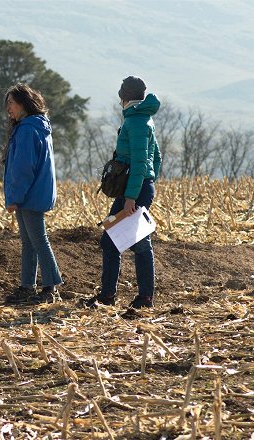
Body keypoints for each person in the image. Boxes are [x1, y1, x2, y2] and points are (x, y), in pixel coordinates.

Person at [85, 76, 161, 309]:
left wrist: (131, 196)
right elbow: (155, 158)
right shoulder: (142, 118)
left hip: (133, 191)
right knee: (112, 239)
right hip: (138, 187)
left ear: (124, 97)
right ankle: (113, 295)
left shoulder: (136, 121)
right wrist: (150, 180)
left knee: (136, 243)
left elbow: (139, 162)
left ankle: (139, 297)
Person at [2, 83, 63, 305]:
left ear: (23, 104)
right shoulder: (37, 126)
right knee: (29, 242)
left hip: (29, 195)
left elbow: (23, 168)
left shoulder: (27, 129)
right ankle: (27, 286)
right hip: (36, 193)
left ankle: (51, 286)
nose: (8, 108)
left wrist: (14, 197)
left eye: (11, 103)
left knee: (38, 241)